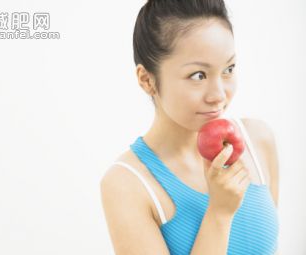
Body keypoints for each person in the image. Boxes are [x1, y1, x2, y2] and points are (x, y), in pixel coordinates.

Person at [100, 0, 280, 254]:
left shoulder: (258, 141)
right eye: (199, 75)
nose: (219, 95)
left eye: (228, 69)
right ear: (146, 80)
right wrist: (219, 213)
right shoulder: (127, 183)